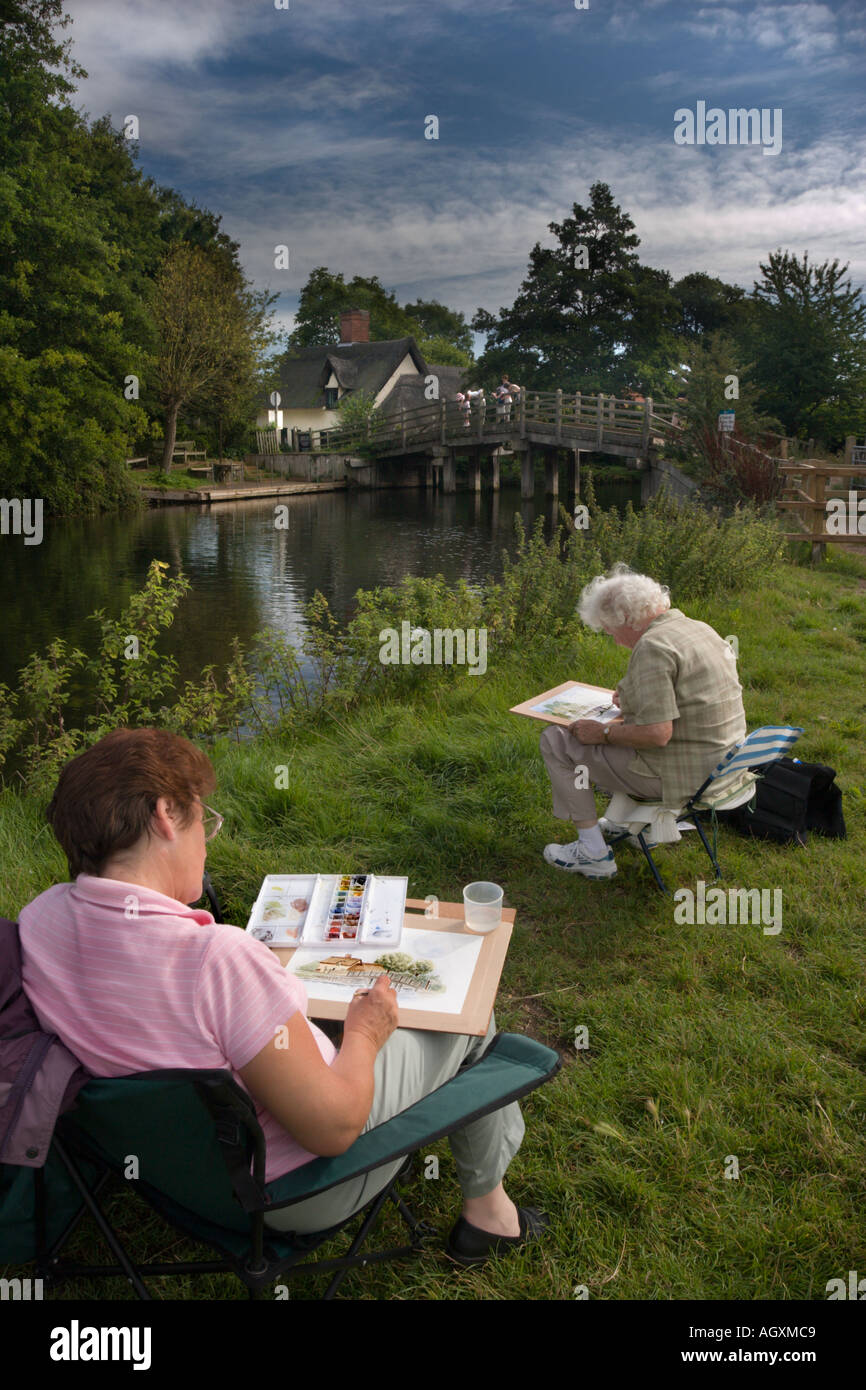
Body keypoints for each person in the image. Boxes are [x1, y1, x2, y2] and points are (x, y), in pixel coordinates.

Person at [17, 728, 543, 1264]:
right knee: (467, 1012)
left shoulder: (39, 922)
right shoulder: (213, 959)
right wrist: (364, 1032)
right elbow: (333, 1128)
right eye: (205, 819)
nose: (206, 837)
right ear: (165, 816)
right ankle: (490, 1217)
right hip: (294, 1190)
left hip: (173, 1173)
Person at [539, 564, 746, 879]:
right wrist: (634, 698)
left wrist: (603, 733)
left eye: (609, 630)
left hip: (682, 779)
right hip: (723, 769)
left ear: (625, 619)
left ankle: (592, 852)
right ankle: (631, 822)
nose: (614, 640)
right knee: (600, 737)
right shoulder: (697, 627)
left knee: (555, 740)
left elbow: (657, 734)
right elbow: (689, 695)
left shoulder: (652, 647)